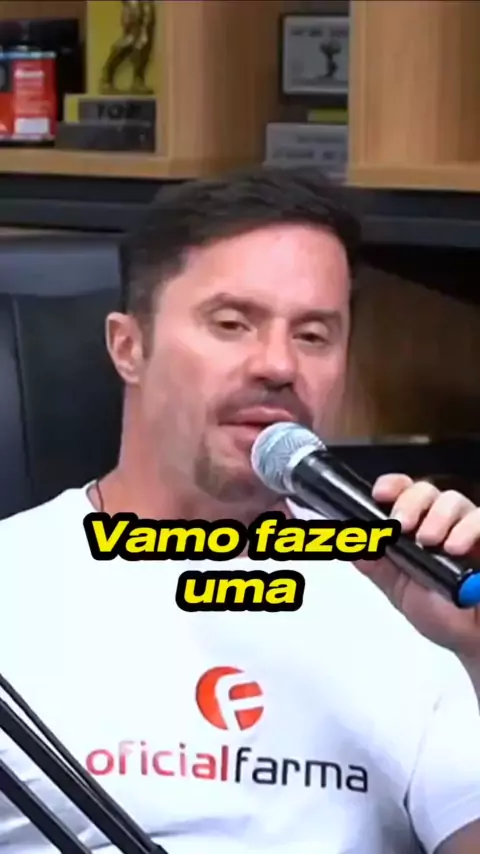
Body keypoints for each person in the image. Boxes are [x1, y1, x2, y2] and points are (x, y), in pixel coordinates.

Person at [1, 167, 480, 854]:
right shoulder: (13, 582)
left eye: (313, 335)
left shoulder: (415, 592)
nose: (278, 365)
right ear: (128, 346)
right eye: (231, 324)